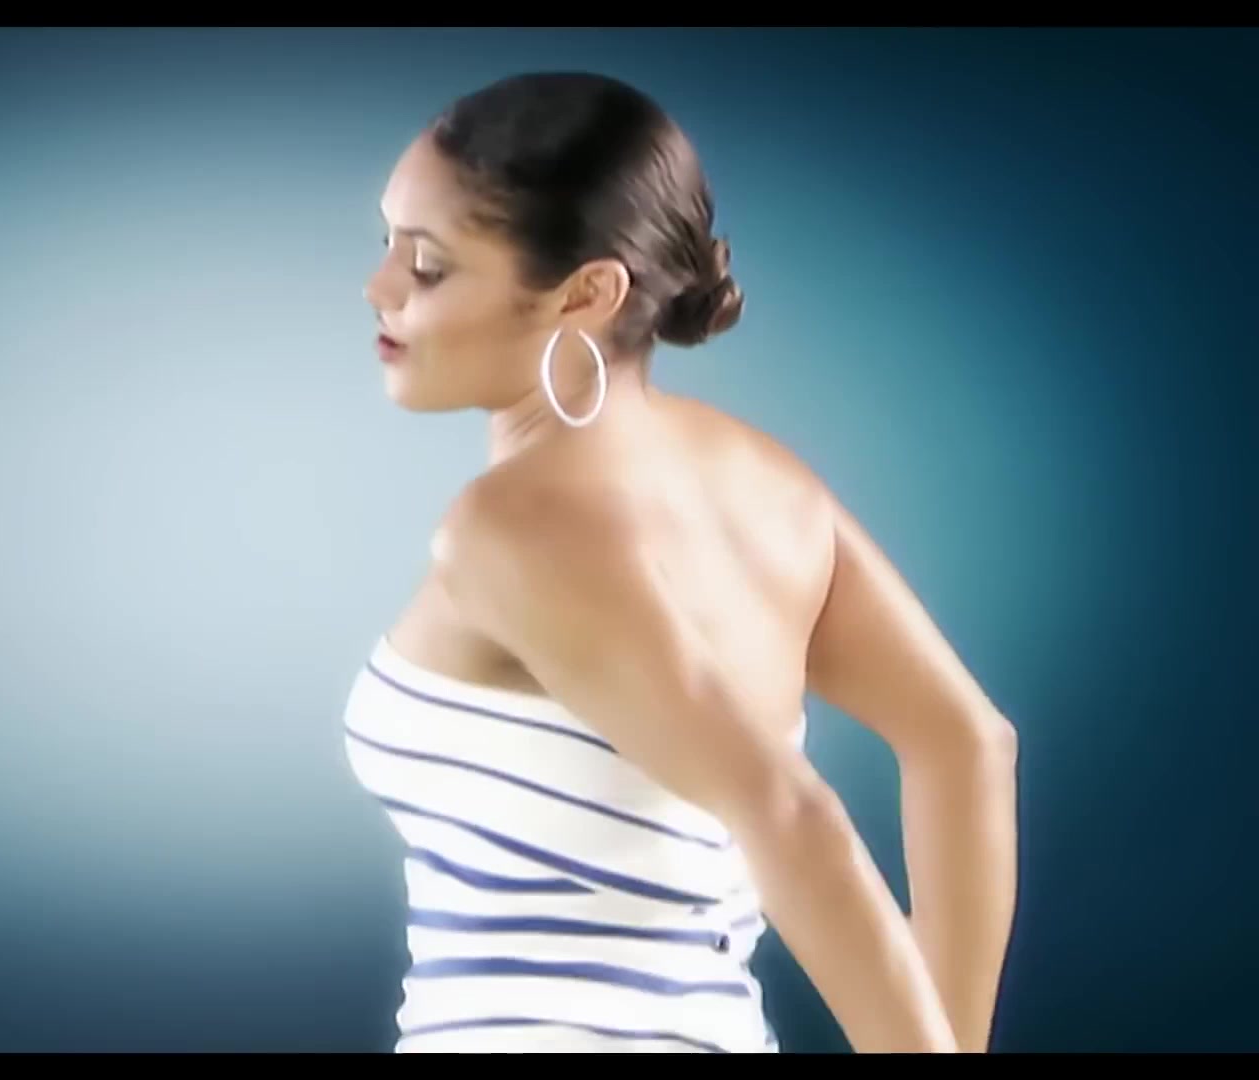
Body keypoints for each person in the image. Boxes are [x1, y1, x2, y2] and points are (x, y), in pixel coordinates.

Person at [340, 72, 1020, 1054]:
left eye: (430, 266)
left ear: (586, 293)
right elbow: (965, 744)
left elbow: (790, 816)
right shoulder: (765, 483)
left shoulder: (511, 528)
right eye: (387, 243)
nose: (380, 288)